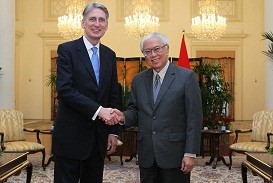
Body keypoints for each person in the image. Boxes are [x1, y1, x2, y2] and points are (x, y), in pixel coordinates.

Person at [113, 32, 203, 183]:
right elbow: (134, 110)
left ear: (167, 49)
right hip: (147, 154)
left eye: (157, 49)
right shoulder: (139, 80)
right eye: (148, 52)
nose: (153, 54)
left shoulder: (186, 77)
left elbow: (194, 117)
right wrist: (123, 116)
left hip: (175, 154)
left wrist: (190, 153)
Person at [52, 2, 120, 182]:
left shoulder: (109, 55)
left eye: (101, 20)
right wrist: (99, 111)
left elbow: (113, 93)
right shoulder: (67, 50)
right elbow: (65, 90)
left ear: (107, 25)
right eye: (92, 19)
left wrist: (113, 132)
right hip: (70, 137)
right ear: (83, 22)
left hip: (98, 139)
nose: (97, 24)